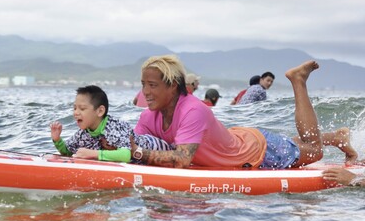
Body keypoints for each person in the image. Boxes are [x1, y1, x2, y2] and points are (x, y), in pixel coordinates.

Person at [130, 55, 357, 169]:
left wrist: (138, 154)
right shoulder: (148, 116)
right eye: (143, 84)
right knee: (297, 143)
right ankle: (337, 137)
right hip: (239, 138)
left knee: (314, 150)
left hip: (255, 153)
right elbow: (136, 143)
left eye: (152, 85)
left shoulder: (192, 109)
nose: (146, 92)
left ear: (172, 85)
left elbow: (181, 159)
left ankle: (298, 81)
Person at [51, 85, 171, 162]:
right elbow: (69, 152)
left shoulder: (113, 127)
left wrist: (93, 154)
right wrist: (57, 140)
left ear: (100, 111)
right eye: (74, 108)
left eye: (82, 109)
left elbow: (125, 155)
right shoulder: (83, 134)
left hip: (156, 147)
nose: (76, 113)